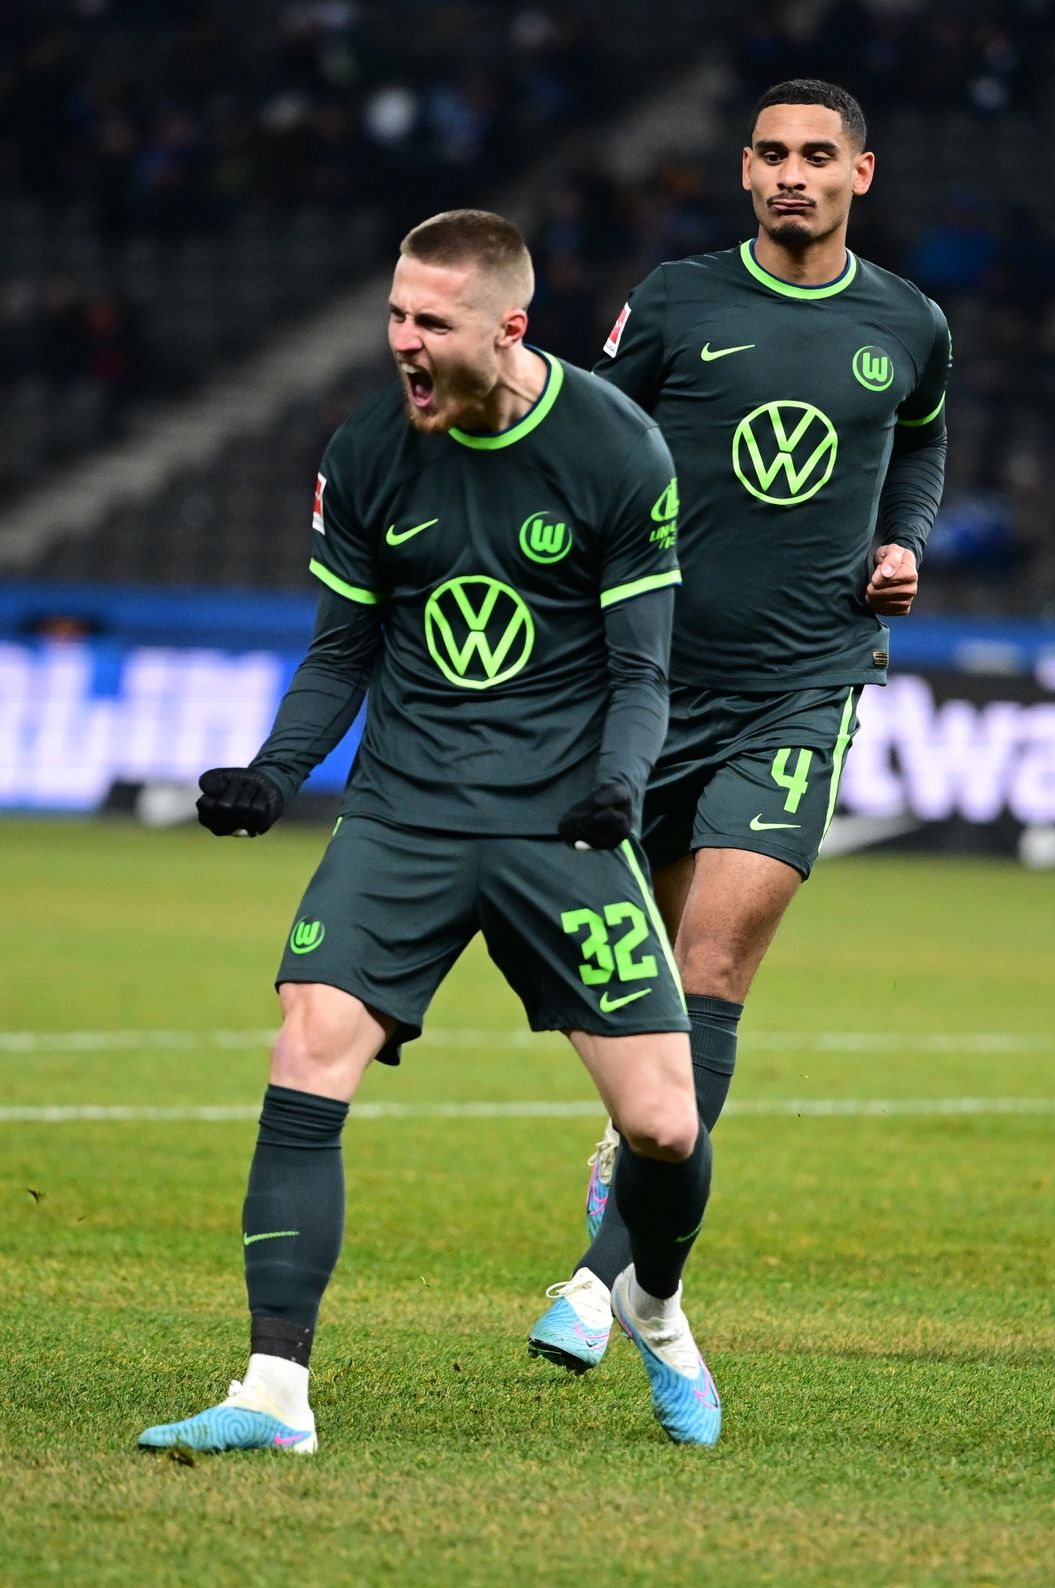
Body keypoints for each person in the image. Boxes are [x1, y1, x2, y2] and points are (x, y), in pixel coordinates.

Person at [137, 209, 722, 1452]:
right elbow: (340, 649)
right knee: (308, 1044)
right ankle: (273, 1392)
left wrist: (619, 785)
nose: (402, 341)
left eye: (429, 323)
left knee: (665, 1125)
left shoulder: (617, 452)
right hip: (401, 812)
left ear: (507, 328)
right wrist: (275, 769)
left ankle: (654, 1303)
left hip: (558, 826)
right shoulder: (365, 451)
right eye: (395, 314)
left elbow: (642, 674)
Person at [526, 80, 949, 1371]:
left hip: (801, 687)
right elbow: (592, 441)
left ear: (860, 176)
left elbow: (919, 449)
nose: (792, 175)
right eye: (771, 153)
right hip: (649, 686)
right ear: (747, 170)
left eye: (819, 156)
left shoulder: (910, 324)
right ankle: (643, 1187)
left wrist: (903, 543)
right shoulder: (675, 302)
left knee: (714, 972)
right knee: (645, 987)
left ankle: (603, 1285)